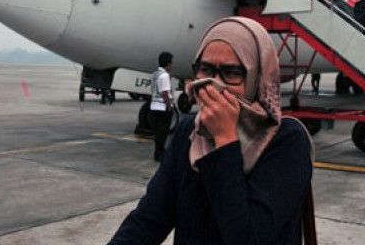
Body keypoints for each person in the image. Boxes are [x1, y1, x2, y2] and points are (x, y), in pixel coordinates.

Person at [108, 17, 313, 245]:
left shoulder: (286, 140)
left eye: (232, 72)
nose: (214, 84)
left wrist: (225, 138)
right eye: (205, 69)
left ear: (257, 78)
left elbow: (246, 238)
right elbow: (149, 220)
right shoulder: (190, 131)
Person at [149, 51, 174, 162]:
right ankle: (160, 155)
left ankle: (157, 153)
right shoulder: (164, 75)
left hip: (153, 107)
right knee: (163, 133)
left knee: (157, 133)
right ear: (168, 64)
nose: (172, 65)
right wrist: (169, 105)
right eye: (171, 63)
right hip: (162, 108)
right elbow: (165, 92)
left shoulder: (155, 74)